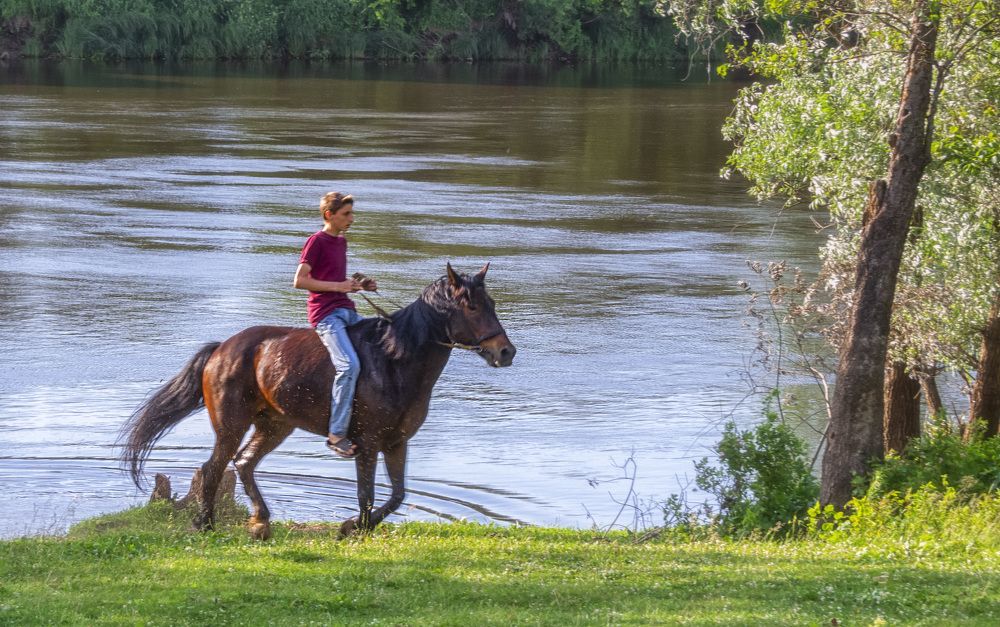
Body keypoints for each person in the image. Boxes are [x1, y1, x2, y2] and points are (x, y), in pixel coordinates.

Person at [293, 192, 377, 458]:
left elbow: (334, 278)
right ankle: (336, 434)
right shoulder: (316, 241)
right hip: (325, 315)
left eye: (351, 214)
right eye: (346, 214)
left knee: (383, 347)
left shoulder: (341, 242)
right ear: (329, 215)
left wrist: (359, 286)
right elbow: (300, 281)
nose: (351, 219)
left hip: (346, 310)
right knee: (348, 365)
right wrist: (338, 286)